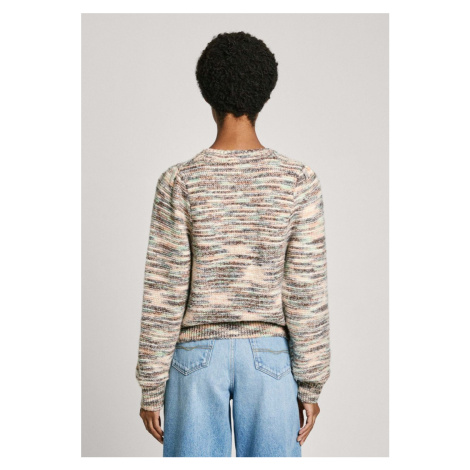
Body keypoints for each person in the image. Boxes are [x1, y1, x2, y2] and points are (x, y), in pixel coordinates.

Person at [135, 31, 331, 458]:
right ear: (264, 96)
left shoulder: (179, 181)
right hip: (270, 356)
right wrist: (310, 382)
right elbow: (305, 289)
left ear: (207, 95)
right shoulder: (297, 181)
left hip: (194, 357)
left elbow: (164, 290)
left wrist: (151, 386)